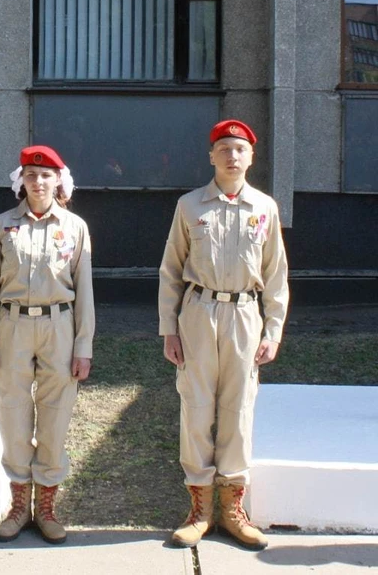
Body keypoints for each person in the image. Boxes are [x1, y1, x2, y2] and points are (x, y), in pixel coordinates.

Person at [159, 119, 289, 551]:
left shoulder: (265, 208)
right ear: (211, 156)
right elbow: (171, 272)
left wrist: (273, 330)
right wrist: (169, 330)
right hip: (198, 314)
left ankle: (233, 509)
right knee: (196, 407)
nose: (232, 156)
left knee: (238, 410)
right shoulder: (190, 206)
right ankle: (199, 509)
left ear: (251, 157)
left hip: (244, 317)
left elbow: (275, 276)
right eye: (224, 149)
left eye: (240, 149)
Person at [0, 145, 94, 544]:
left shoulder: (75, 227)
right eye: (31, 174)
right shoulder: (2, 225)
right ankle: (17, 506)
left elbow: (86, 291)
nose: (38, 182)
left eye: (46, 175)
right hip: (12, 326)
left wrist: (83, 347)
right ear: (21, 180)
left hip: (59, 325)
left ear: (59, 180)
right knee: (12, 413)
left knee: (55, 415)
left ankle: (46, 508)